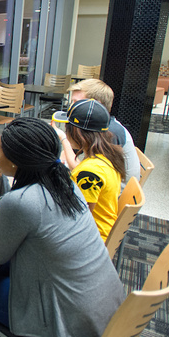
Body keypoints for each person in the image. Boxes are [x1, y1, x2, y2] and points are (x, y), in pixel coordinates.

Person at [0, 117, 125, 337]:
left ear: (18, 161)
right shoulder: (65, 182)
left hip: (77, 333)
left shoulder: (21, 202)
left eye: (2, 150)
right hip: (108, 317)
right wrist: (1, 185)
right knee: (3, 272)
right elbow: (27, 209)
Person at [53, 99, 125, 242]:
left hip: (90, 241)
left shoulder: (90, 172)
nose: (66, 131)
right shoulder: (106, 156)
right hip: (99, 231)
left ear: (77, 132)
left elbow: (78, 218)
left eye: (68, 127)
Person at [65, 79, 141, 187]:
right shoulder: (95, 127)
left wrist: (63, 138)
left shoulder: (109, 133)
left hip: (115, 195)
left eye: (77, 102)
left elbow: (85, 173)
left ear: (95, 105)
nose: (71, 107)